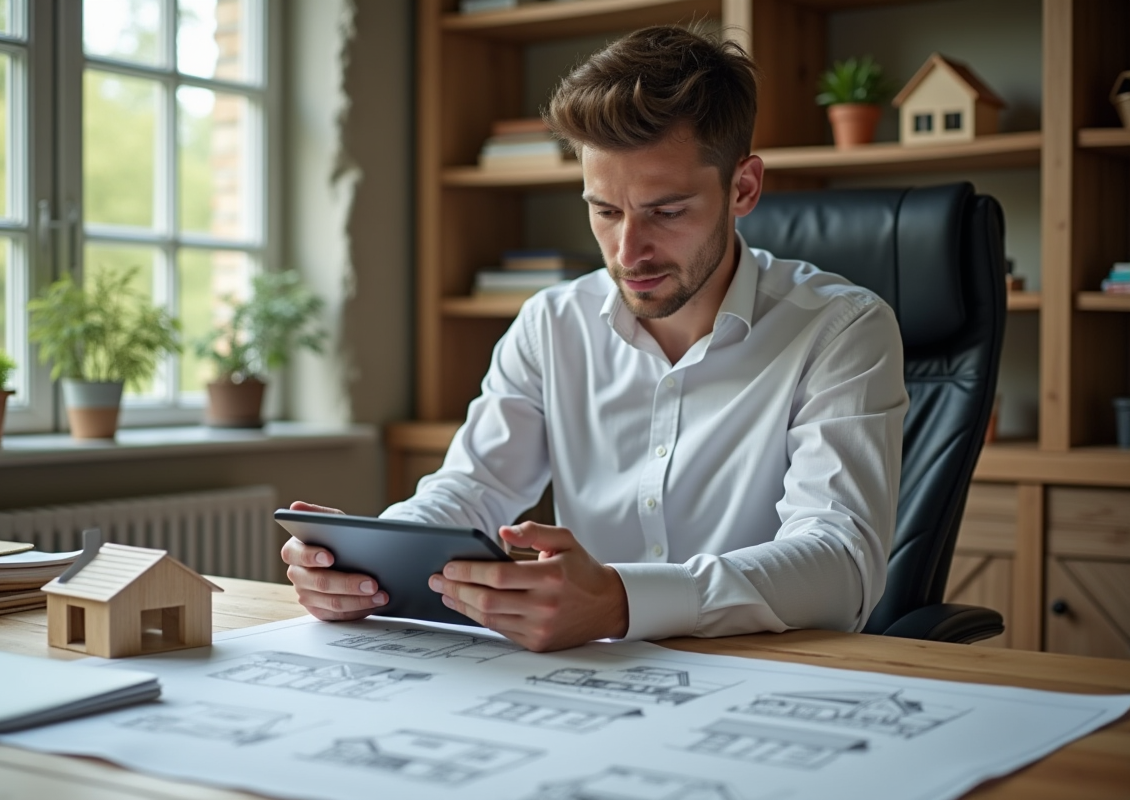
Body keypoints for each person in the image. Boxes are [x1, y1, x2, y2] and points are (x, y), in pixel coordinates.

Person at [282, 26, 908, 653]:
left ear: (742, 188)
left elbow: (840, 564)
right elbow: (474, 489)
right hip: (591, 681)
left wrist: (619, 601)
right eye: (605, 211)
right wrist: (369, 561)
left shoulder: (842, 328)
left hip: (773, 673)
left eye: (666, 212)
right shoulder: (551, 323)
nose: (627, 252)